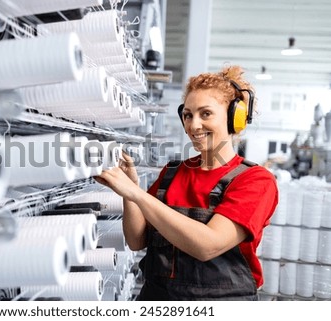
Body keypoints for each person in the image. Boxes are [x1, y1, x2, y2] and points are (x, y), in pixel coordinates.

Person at [95, 65, 279, 300]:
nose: (193, 125)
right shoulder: (172, 173)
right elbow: (136, 240)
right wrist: (130, 193)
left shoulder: (255, 181)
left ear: (235, 118)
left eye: (206, 114)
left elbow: (207, 246)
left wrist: (136, 194)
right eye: (188, 114)